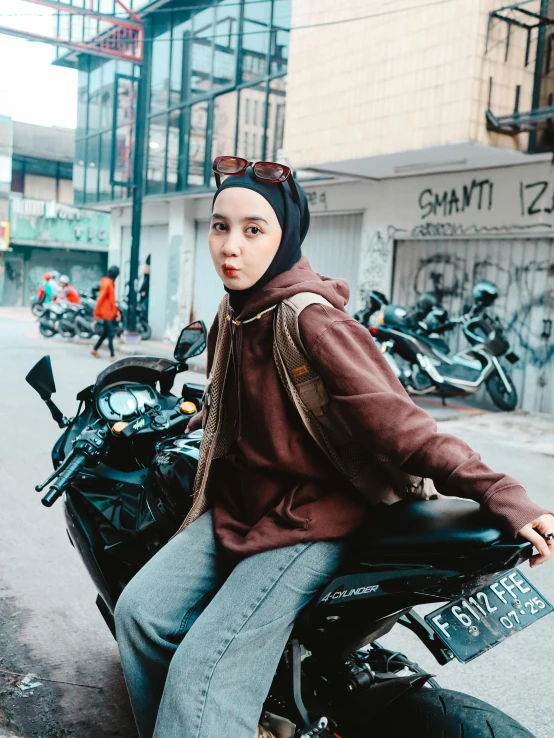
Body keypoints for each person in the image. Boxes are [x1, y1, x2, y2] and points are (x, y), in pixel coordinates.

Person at [114, 159, 554, 738]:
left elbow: (404, 425)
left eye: (254, 229)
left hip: (307, 521)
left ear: (285, 237)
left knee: (204, 675)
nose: (231, 246)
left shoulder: (313, 321)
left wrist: (502, 494)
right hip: (239, 508)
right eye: (220, 226)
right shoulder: (233, 311)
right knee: (138, 614)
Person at [91, 266, 120, 361]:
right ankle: (112, 355)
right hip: (106, 314)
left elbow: (111, 300)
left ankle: (95, 349)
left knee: (105, 334)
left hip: (109, 313)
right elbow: (100, 298)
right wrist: (96, 313)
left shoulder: (109, 283)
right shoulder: (108, 283)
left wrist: (117, 311)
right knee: (111, 333)